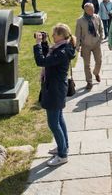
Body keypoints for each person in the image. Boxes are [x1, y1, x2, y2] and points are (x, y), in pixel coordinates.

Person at [33, 23, 76, 167]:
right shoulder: (61, 48)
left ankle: (62, 155)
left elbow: (41, 61)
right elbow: (49, 58)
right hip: (56, 88)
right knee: (59, 119)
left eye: (54, 34)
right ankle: (64, 146)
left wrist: (38, 44)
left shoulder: (62, 52)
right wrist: (45, 43)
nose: (52, 36)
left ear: (62, 36)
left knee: (53, 123)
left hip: (55, 90)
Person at [76, 3, 104, 89]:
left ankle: (96, 73)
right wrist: (77, 45)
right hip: (86, 45)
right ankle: (89, 81)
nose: (92, 10)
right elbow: (77, 34)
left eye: (93, 8)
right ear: (85, 10)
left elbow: (101, 28)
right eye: (90, 9)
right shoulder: (80, 20)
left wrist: (101, 38)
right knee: (87, 65)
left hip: (96, 44)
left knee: (99, 61)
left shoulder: (97, 17)